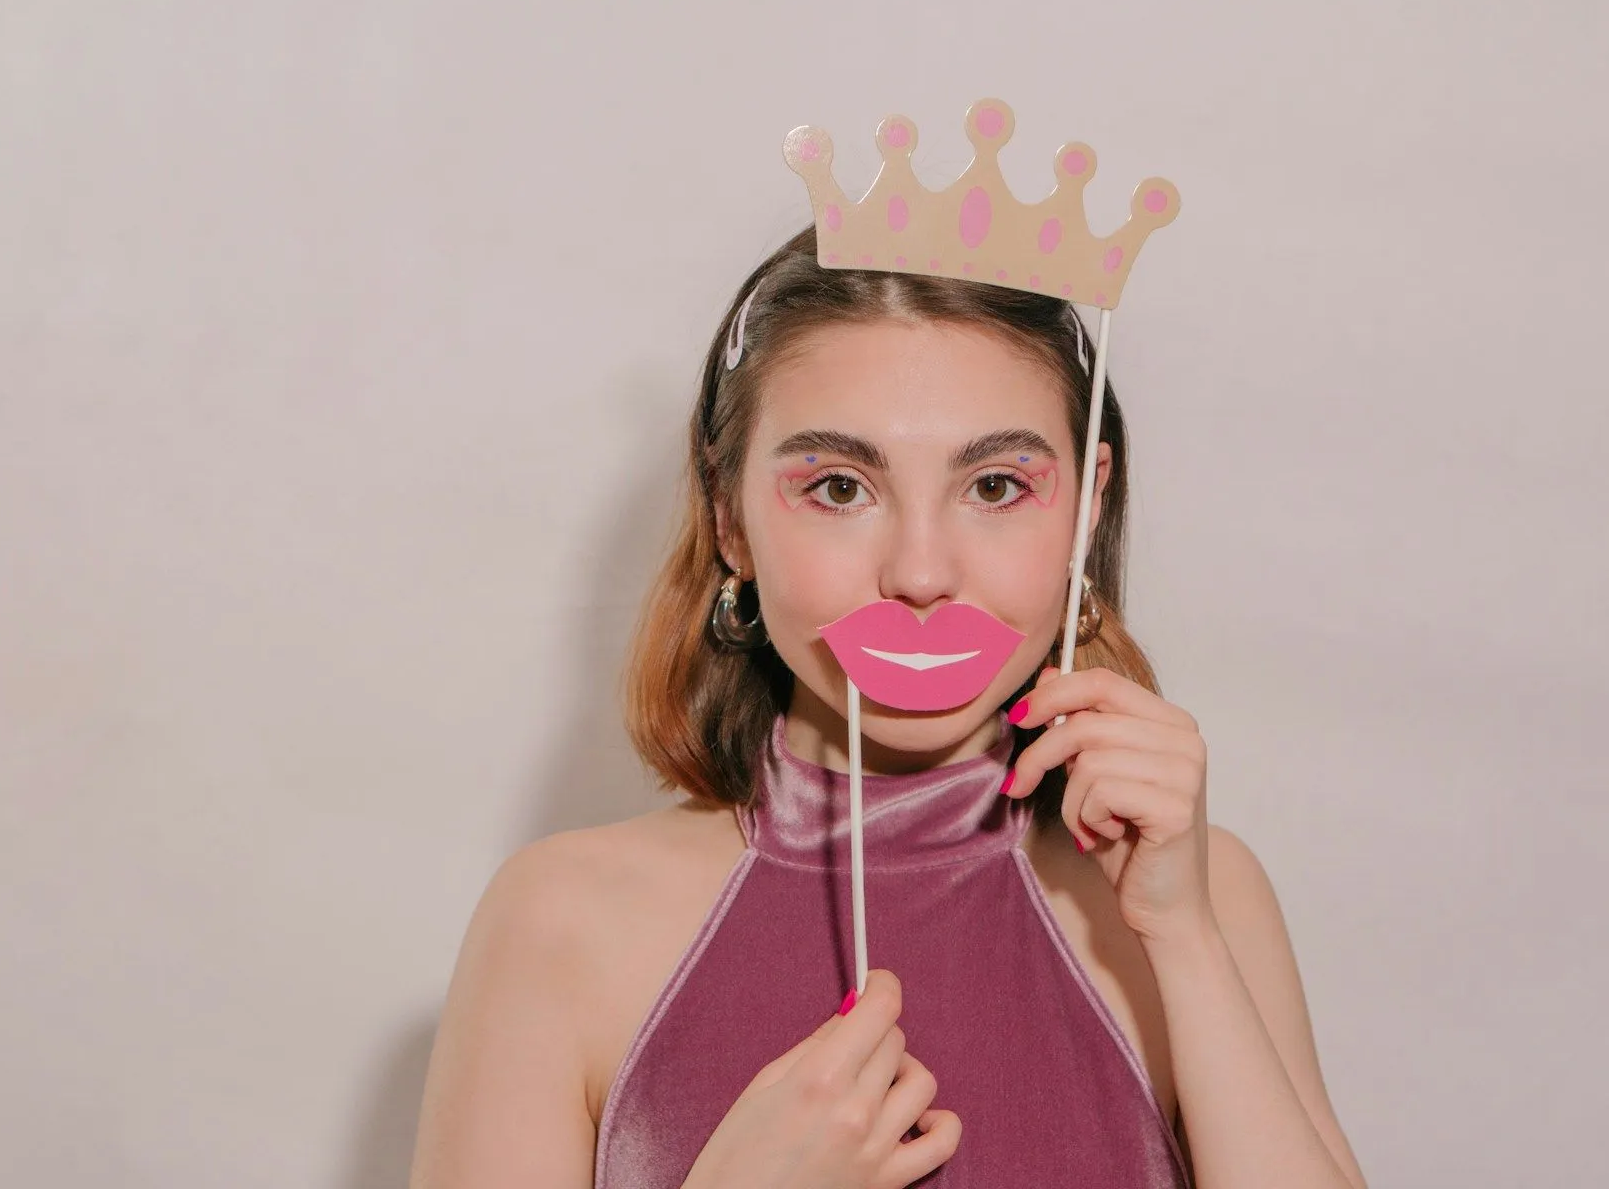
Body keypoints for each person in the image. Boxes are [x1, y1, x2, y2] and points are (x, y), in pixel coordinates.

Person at [409, 226, 1369, 1189]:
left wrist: (1185, 940)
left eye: (995, 486)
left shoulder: (1202, 899)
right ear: (729, 518)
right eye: (838, 487)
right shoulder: (559, 924)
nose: (919, 573)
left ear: (1088, 508)